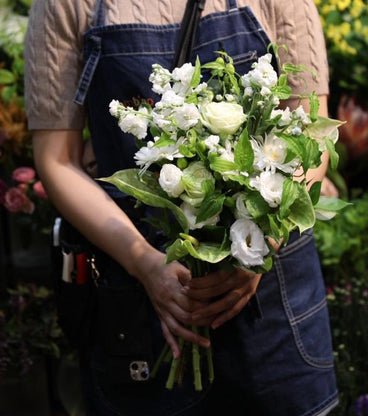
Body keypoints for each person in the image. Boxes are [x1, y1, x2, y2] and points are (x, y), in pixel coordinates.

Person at [24, 0, 338, 414]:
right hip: (140, 294)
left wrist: (258, 245)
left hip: (274, 300)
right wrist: (145, 264)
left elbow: (312, 135)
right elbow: (56, 159)